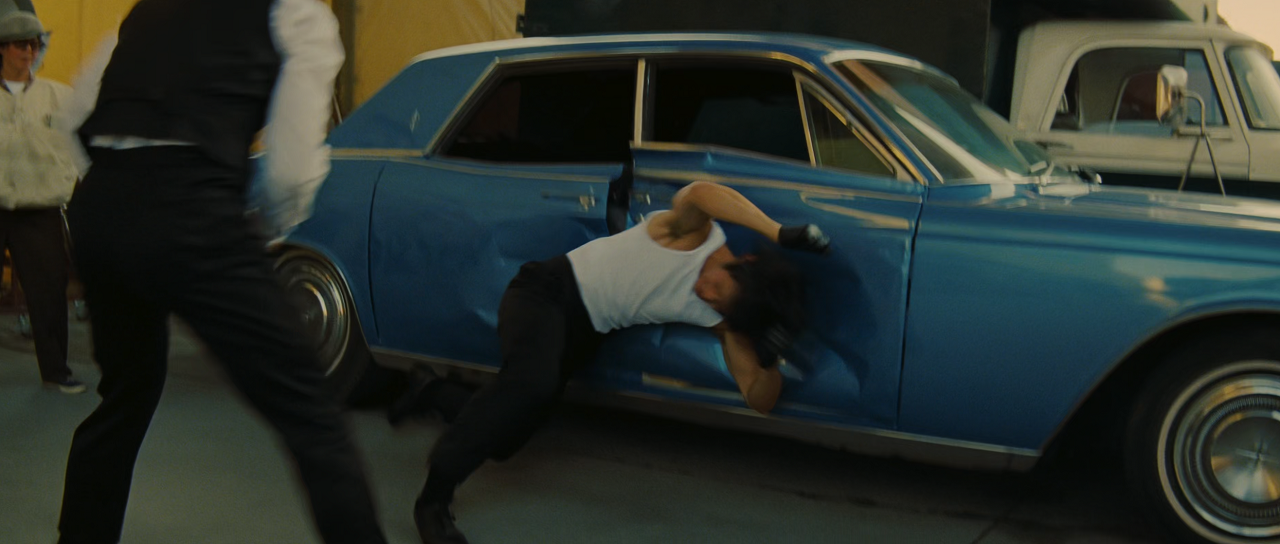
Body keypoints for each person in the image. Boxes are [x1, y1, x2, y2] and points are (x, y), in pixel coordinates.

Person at [56, 1, 388, 543]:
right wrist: (257, 232)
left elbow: (74, 113)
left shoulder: (148, 9)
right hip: (194, 209)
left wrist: (121, 195)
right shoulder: (297, 13)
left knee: (125, 397)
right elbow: (290, 170)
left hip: (102, 209)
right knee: (310, 412)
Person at [398, 180, 829, 544]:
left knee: (506, 439)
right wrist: (777, 232)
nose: (707, 296)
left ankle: (431, 390)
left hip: (584, 330)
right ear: (744, 262)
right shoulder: (691, 235)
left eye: (719, 303)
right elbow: (699, 192)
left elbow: (759, 398)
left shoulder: (726, 320)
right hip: (546, 292)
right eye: (718, 286)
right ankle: (433, 502)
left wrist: (769, 360)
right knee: (531, 385)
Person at [0, 9, 82, 394]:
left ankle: (56, 371)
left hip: (40, 208)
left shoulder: (58, 96)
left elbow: (78, 149)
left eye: (35, 44)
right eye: (21, 45)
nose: (29, 52)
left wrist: (69, 183)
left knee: (48, 292)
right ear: (2, 49)